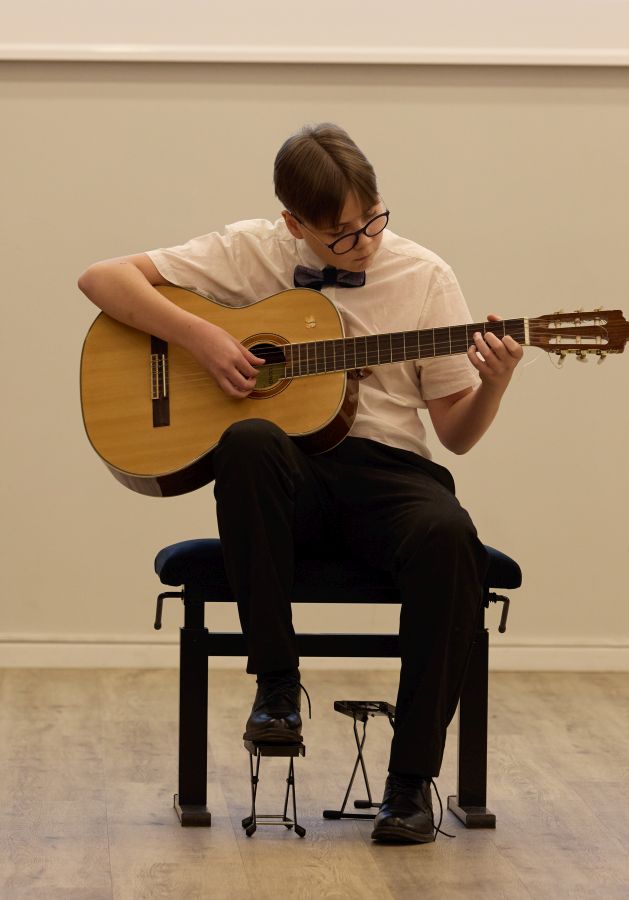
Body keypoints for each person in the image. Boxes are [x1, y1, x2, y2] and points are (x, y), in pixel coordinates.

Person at [78, 122, 523, 843]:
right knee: (249, 440)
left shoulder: (425, 276)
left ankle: (410, 785)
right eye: (339, 234)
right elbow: (101, 279)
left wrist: (493, 384)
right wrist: (204, 338)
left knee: (449, 534)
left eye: (371, 219)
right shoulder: (251, 250)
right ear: (294, 224)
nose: (364, 242)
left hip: (389, 474)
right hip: (285, 482)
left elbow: (456, 434)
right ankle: (277, 690)